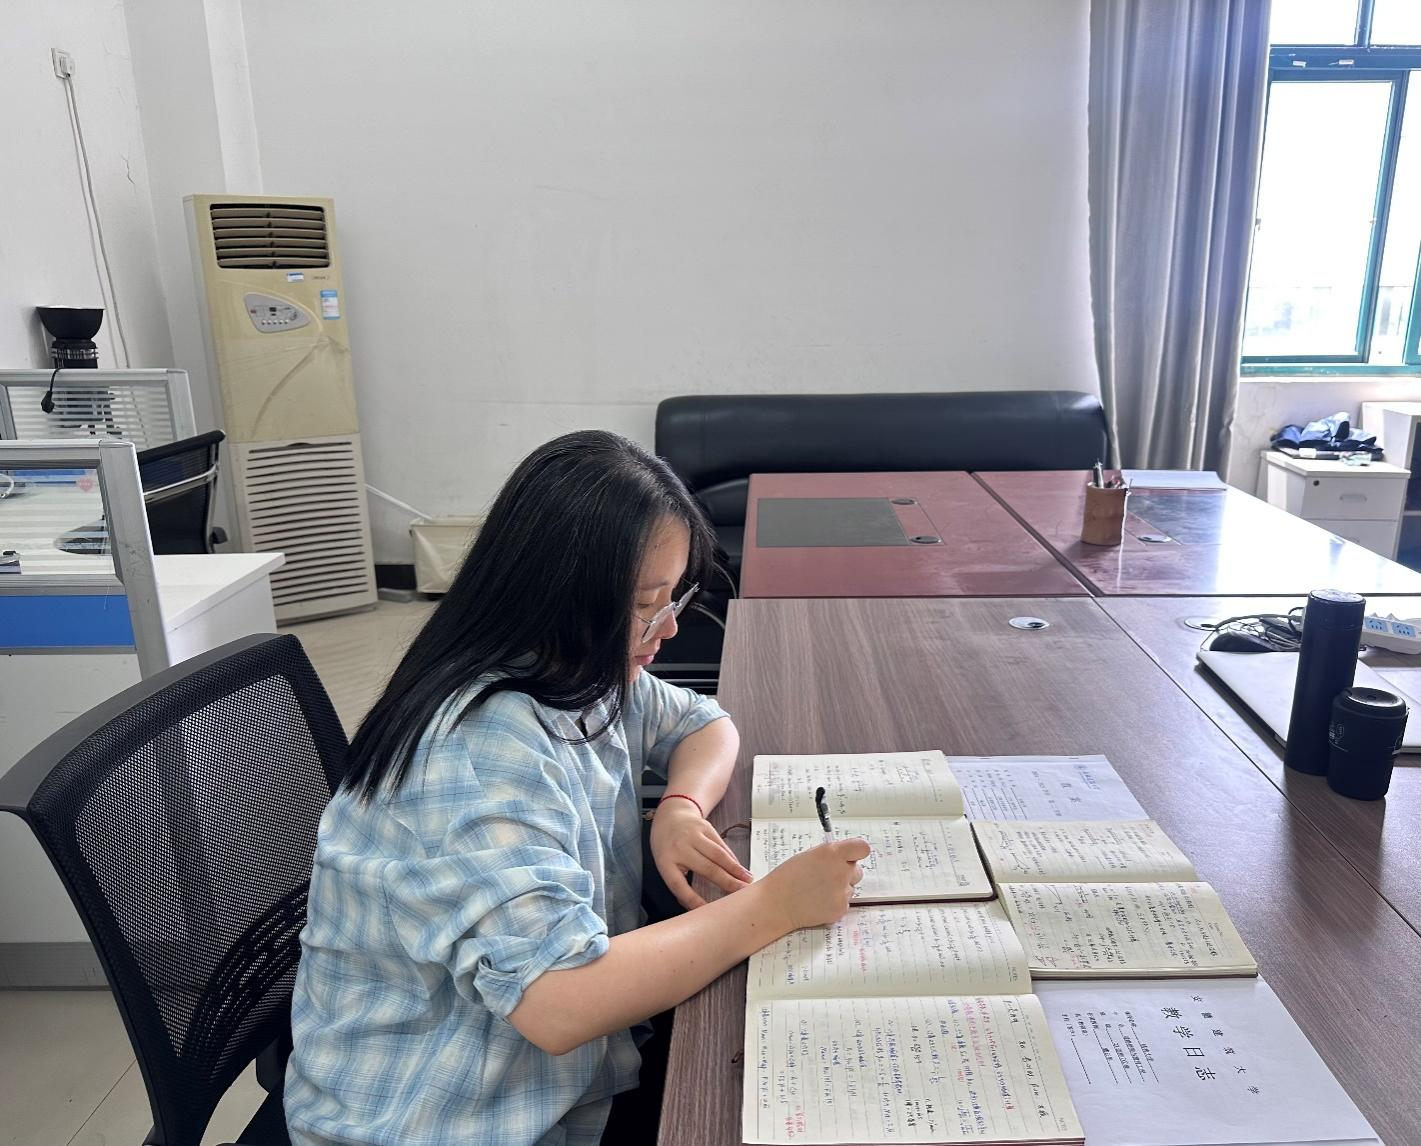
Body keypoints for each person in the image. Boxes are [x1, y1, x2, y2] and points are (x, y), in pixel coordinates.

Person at [284, 430, 868, 1146]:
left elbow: (704, 724)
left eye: (674, 597)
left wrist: (680, 806)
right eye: (647, 604)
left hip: (558, 1074)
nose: (669, 628)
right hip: (438, 1116)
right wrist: (775, 905)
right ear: (557, 597)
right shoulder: (475, 748)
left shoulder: (575, 671)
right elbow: (557, 1001)